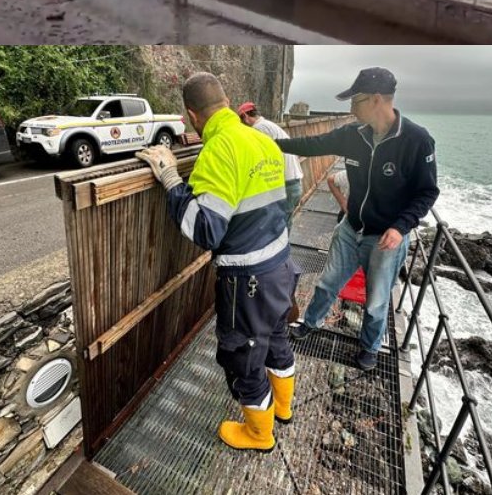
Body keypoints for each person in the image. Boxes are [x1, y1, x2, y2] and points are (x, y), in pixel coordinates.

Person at [135, 72, 297, 453]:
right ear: (226, 101)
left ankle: (260, 434)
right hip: (281, 264)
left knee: (244, 356)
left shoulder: (220, 148)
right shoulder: (261, 140)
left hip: (248, 279)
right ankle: (284, 409)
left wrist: (172, 180)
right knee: (276, 339)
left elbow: (205, 228)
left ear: (192, 115)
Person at [277, 67, 439, 371]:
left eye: (355, 101)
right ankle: (310, 323)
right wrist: (271, 144)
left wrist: (400, 227)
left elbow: (427, 193)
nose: (350, 108)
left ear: (376, 99)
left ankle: (370, 347)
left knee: (377, 302)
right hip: (351, 228)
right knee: (328, 284)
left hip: (385, 239)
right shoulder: (353, 135)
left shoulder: (417, 141)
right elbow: (313, 145)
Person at [238, 102, 302, 231]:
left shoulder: (259, 129)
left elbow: (257, 159)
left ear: (245, 116)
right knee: (284, 224)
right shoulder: (269, 126)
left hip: (286, 185)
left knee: (276, 227)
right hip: (294, 183)